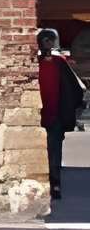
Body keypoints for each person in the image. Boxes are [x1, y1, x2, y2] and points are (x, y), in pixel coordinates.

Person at [38, 29, 86, 199]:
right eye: (46, 41)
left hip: (55, 114)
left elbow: (74, 87)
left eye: (50, 41)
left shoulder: (59, 63)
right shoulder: (35, 63)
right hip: (39, 114)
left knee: (54, 150)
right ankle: (46, 182)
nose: (48, 44)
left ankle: (55, 183)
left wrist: (69, 109)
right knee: (45, 151)